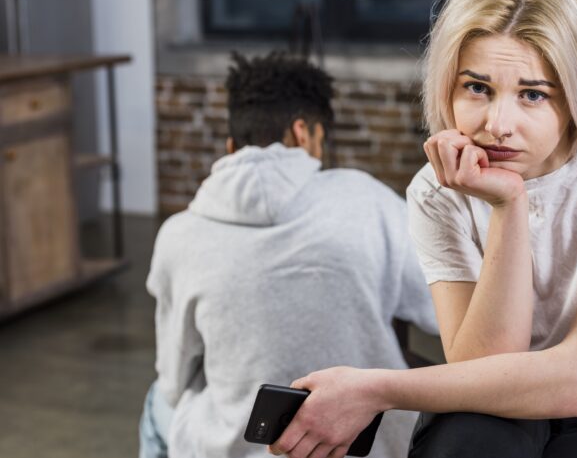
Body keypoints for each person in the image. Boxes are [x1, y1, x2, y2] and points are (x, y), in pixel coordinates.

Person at [268, 0, 577, 458]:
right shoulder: (436, 192)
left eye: (532, 95)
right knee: (466, 444)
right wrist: (508, 205)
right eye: (477, 88)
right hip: (493, 392)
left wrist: (377, 390)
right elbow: (484, 364)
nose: (498, 124)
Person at [138, 52, 438, 458]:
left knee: (159, 397)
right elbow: (439, 317)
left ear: (231, 147)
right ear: (303, 133)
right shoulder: (368, 199)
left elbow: (175, 379)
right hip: (363, 445)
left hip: (237, 445)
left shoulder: (177, 234)